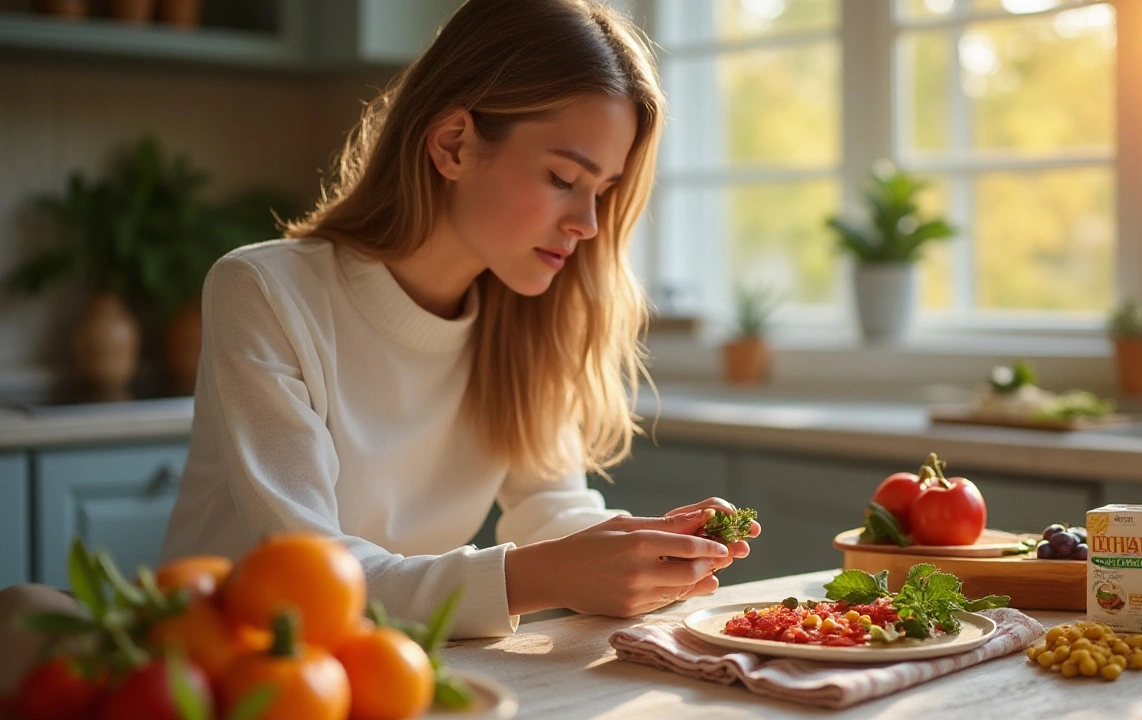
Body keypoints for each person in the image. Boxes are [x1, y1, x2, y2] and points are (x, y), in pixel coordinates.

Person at [155, 0, 759, 640]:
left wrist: (645, 550)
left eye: (603, 192)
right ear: (453, 144)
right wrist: (538, 577)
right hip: (220, 665)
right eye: (562, 177)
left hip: (391, 666)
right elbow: (307, 579)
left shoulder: (524, 316)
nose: (589, 223)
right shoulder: (265, 291)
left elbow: (549, 506)